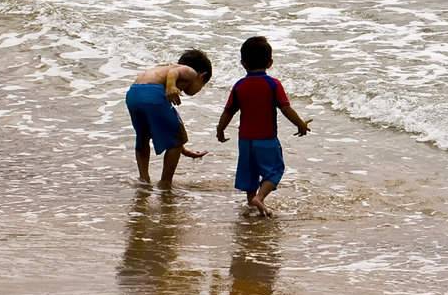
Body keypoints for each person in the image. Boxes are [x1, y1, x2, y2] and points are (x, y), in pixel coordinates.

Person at [216, 35, 310, 217]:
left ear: (243, 63)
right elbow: (285, 108)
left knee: (249, 174)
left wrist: (220, 129)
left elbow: (228, 111)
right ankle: (260, 198)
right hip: (266, 139)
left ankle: (252, 205)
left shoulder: (240, 86)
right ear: (270, 62)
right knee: (275, 170)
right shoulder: (273, 84)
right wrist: (300, 124)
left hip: (245, 140)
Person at [125, 50, 212, 188]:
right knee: (175, 141)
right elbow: (175, 73)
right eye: (202, 85)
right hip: (152, 94)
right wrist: (171, 86)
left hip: (133, 94)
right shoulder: (190, 72)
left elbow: (172, 124)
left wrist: (182, 148)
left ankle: (144, 179)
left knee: (143, 137)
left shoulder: (162, 69)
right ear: (202, 76)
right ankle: (165, 182)